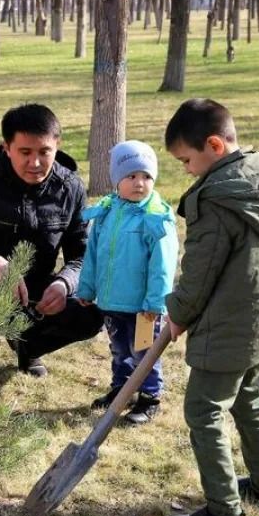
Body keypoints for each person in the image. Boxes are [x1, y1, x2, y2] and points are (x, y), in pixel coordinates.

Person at [163, 98, 259, 516]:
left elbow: (199, 272)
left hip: (228, 328)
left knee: (204, 411)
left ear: (215, 145)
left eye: (187, 159)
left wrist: (178, 313)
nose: (186, 169)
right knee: (249, 399)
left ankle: (224, 514)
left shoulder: (216, 198)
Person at [0, 103, 104, 405]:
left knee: (93, 309)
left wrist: (64, 283)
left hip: (36, 290)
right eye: (25, 152)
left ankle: (29, 346)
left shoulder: (71, 188)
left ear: (57, 146)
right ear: (7, 147)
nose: (35, 162)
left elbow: (83, 256)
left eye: (44, 152)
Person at [76, 140, 178, 425]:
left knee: (144, 352)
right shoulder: (106, 213)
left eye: (146, 176)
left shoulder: (156, 218)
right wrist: (86, 288)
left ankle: (149, 396)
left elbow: (164, 265)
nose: (140, 183)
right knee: (119, 348)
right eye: (131, 176)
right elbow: (93, 255)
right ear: (116, 179)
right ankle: (121, 389)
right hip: (113, 302)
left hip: (144, 307)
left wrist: (156, 302)